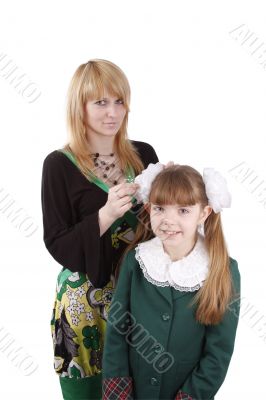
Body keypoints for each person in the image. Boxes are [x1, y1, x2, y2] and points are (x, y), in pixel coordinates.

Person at [41, 59, 159, 400]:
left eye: (119, 101)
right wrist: (104, 215)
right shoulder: (59, 165)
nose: (113, 112)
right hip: (84, 305)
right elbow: (57, 242)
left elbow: (162, 229)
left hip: (141, 295)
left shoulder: (143, 155)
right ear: (80, 107)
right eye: (101, 102)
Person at [102, 163, 241, 400]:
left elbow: (218, 354)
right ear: (148, 209)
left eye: (183, 211)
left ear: (204, 213)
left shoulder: (222, 269)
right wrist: (119, 392)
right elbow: (117, 330)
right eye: (160, 208)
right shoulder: (136, 260)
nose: (168, 220)